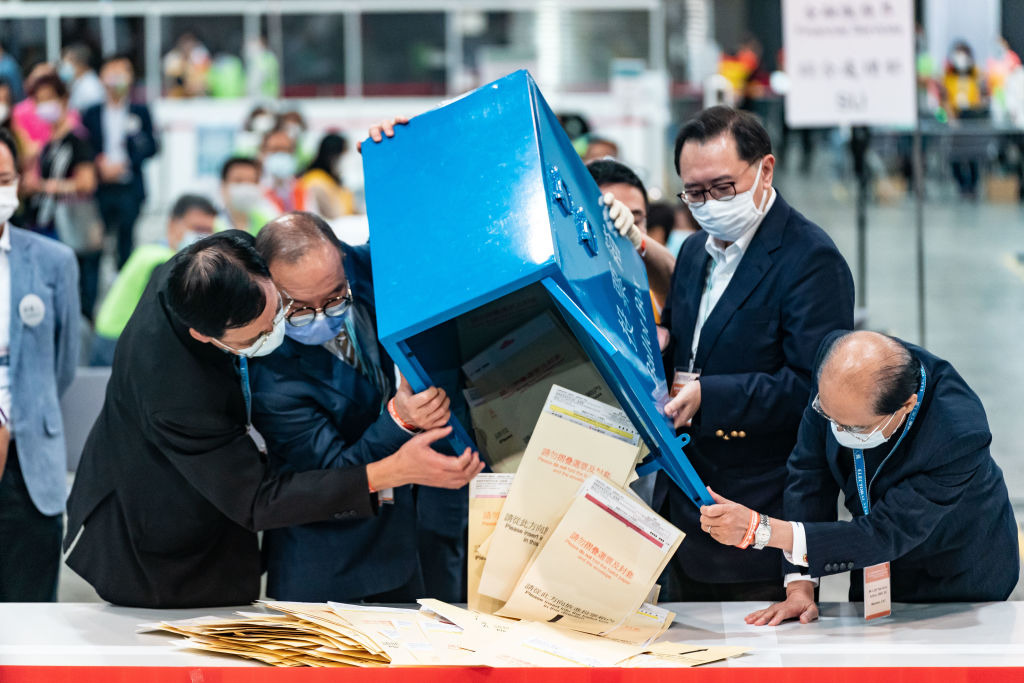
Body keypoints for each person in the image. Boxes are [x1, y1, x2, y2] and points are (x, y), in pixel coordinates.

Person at [63, 230, 483, 608]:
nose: (278, 333)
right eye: (258, 336)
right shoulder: (178, 396)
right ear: (207, 337)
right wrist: (388, 469)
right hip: (165, 532)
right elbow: (256, 499)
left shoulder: (217, 261)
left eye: (278, 309)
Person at [656, 105, 854, 601]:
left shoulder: (810, 259)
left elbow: (816, 391)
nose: (709, 204)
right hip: (683, 506)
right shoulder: (692, 253)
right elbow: (690, 349)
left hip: (759, 512)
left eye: (723, 188)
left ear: (765, 169)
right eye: (694, 193)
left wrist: (712, 397)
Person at [700, 331, 1020, 624]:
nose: (837, 430)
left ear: (906, 406)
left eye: (853, 427)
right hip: (869, 563)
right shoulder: (839, 368)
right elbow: (809, 473)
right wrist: (800, 584)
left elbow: (883, 534)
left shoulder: (958, 437)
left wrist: (761, 530)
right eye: (828, 415)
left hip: (953, 571)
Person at [250, 212, 451, 602]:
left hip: (402, 544)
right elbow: (335, 474)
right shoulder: (269, 377)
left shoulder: (357, 269)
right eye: (299, 308)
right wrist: (400, 418)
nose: (322, 314)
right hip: (328, 564)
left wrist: (397, 151)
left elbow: (416, 224)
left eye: (334, 297)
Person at [0, 128, 81, 601]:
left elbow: (64, 362)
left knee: (29, 611)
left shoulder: (53, 261)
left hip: (30, 458)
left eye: (4, 178)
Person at [90, 194, 218, 366]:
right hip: (119, 342)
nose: (203, 236)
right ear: (173, 224)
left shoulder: (151, 250)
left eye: (208, 230)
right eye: (196, 227)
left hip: (114, 336)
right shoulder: (160, 261)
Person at [20, 74, 100, 321]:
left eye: (49, 99)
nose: (44, 107)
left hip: (66, 225)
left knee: (69, 293)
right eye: (39, 101)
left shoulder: (77, 140)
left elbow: (87, 182)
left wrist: (45, 186)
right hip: (43, 223)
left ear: (64, 100)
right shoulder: (47, 141)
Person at [82, 54, 158, 269]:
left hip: (129, 186)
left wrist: (126, 163)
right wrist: (98, 163)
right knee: (95, 243)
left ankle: (124, 290)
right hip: (100, 186)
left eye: (123, 71)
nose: (117, 77)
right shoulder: (91, 113)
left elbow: (152, 147)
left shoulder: (140, 111)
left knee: (126, 243)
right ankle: (92, 297)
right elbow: (84, 145)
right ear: (102, 77)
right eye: (112, 71)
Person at [586, 158, 676, 322]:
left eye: (635, 221)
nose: (622, 232)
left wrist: (637, 240)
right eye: (611, 219)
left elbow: (674, 277)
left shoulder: (651, 295)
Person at [297, 133, 356, 219]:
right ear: (333, 154)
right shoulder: (315, 180)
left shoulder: (334, 180)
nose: (346, 158)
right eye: (344, 153)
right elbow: (333, 215)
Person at [217, 156, 274, 235]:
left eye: (252, 181)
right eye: (238, 181)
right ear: (223, 186)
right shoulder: (210, 224)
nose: (246, 187)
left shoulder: (268, 224)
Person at [260, 127, 302, 214]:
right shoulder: (257, 189)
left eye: (285, 150)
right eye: (275, 149)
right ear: (263, 152)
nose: (280, 154)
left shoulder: (302, 189)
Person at [60, 44, 105, 113]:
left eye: (67, 63)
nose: (64, 67)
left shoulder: (91, 88)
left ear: (80, 63)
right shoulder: (77, 82)